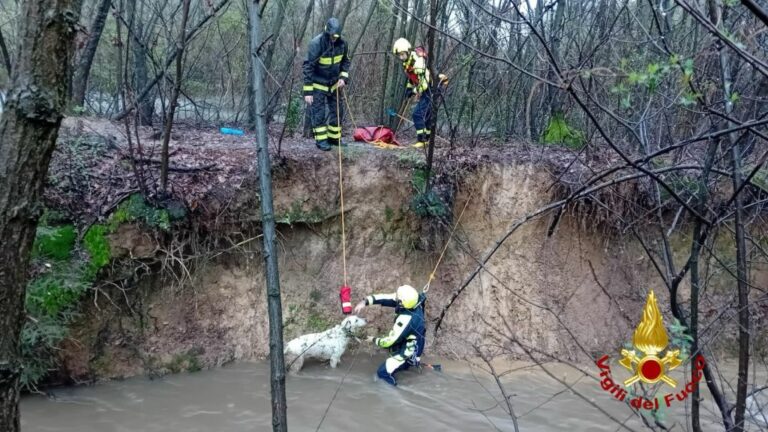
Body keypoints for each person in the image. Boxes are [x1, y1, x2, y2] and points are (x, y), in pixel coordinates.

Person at [354, 284, 426, 386]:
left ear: (402, 303)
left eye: (397, 298)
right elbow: (385, 298)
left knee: (382, 373)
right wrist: (364, 302)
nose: (395, 297)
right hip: (413, 337)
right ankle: (406, 363)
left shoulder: (406, 320)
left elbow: (389, 341)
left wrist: (373, 340)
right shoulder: (414, 300)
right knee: (397, 354)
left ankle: (396, 388)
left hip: (410, 348)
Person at [303, 17, 351, 151]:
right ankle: (321, 141)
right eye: (331, 36)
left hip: (335, 84)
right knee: (319, 113)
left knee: (337, 111)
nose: (333, 39)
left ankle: (334, 138)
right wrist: (308, 92)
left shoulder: (343, 44)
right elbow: (308, 67)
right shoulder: (316, 44)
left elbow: (346, 62)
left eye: (336, 36)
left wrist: (343, 77)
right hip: (318, 84)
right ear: (326, 32)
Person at [392, 38, 432, 149]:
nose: (401, 57)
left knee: (417, 114)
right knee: (427, 116)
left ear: (408, 51)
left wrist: (414, 91)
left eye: (402, 54)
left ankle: (422, 140)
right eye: (399, 55)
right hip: (425, 89)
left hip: (429, 89)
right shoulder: (407, 62)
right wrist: (408, 89)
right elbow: (412, 77)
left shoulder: (418, 61)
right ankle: (427, 140)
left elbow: (424, 83)